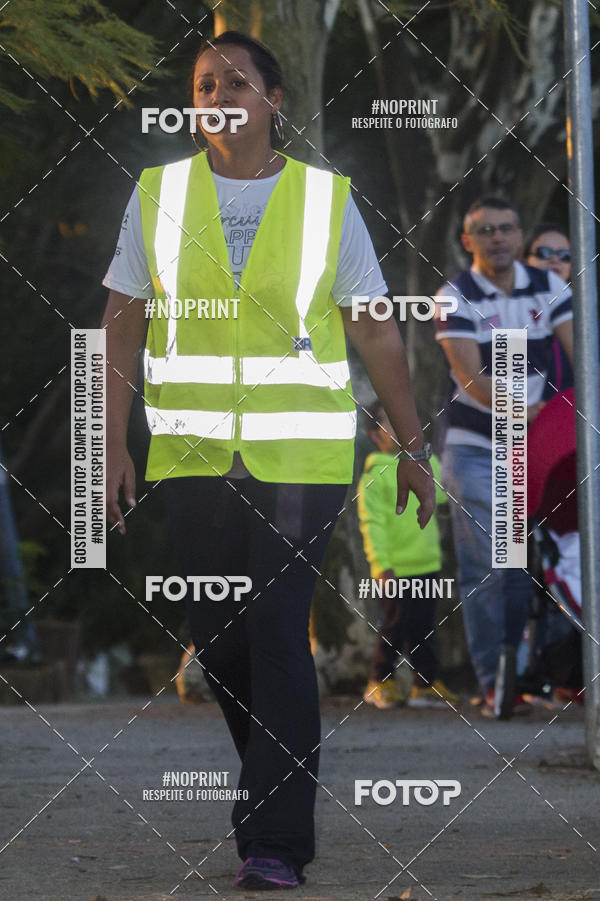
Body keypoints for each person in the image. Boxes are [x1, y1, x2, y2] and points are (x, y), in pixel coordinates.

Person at [101, 31, 435, 891]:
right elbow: (121, 323)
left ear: (275, 99)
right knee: (221, 646)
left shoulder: (327, 200)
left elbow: (371, 325)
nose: (218, 94)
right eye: (205, 83)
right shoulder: (158, 193)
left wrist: (412, 444)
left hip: (301, 452)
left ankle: (276, 838)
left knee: (279, 630)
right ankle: (273, 786)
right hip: (191, 452)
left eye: (238, 81)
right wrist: (106, 446)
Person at [434, 197, 574, 716]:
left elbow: (580, 354)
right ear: (468, 241)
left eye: (507, 228)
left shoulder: (548, 286)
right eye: (485, 230)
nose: (498, 238)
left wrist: (565, 414)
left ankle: (545, 676)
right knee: (491, 567)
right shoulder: (455, 295)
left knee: (548, 560)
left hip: (536, 445)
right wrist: (529, 407)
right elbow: (471, 379)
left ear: (519, 235)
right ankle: (497, 681)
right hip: (478, 445)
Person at [357, 400, 459, 709]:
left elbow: (441, 495)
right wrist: (381, 566)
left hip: (427, 564)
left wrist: (427, 459)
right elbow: (371, 524)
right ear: (376, 436)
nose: (399, 425)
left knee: (424, 627)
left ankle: (424, 685)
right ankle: (380, 681)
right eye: (389, 421)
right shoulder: (375, 475)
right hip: (394, 570)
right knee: (393, 626)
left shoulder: (424, 463)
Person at [524, 222, 574, 397]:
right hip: (520, 418)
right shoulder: (507, 310)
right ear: (524, 261)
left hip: (571, 418)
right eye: (543, 253)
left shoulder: (586, 317)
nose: (555, 260)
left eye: (564, 255)